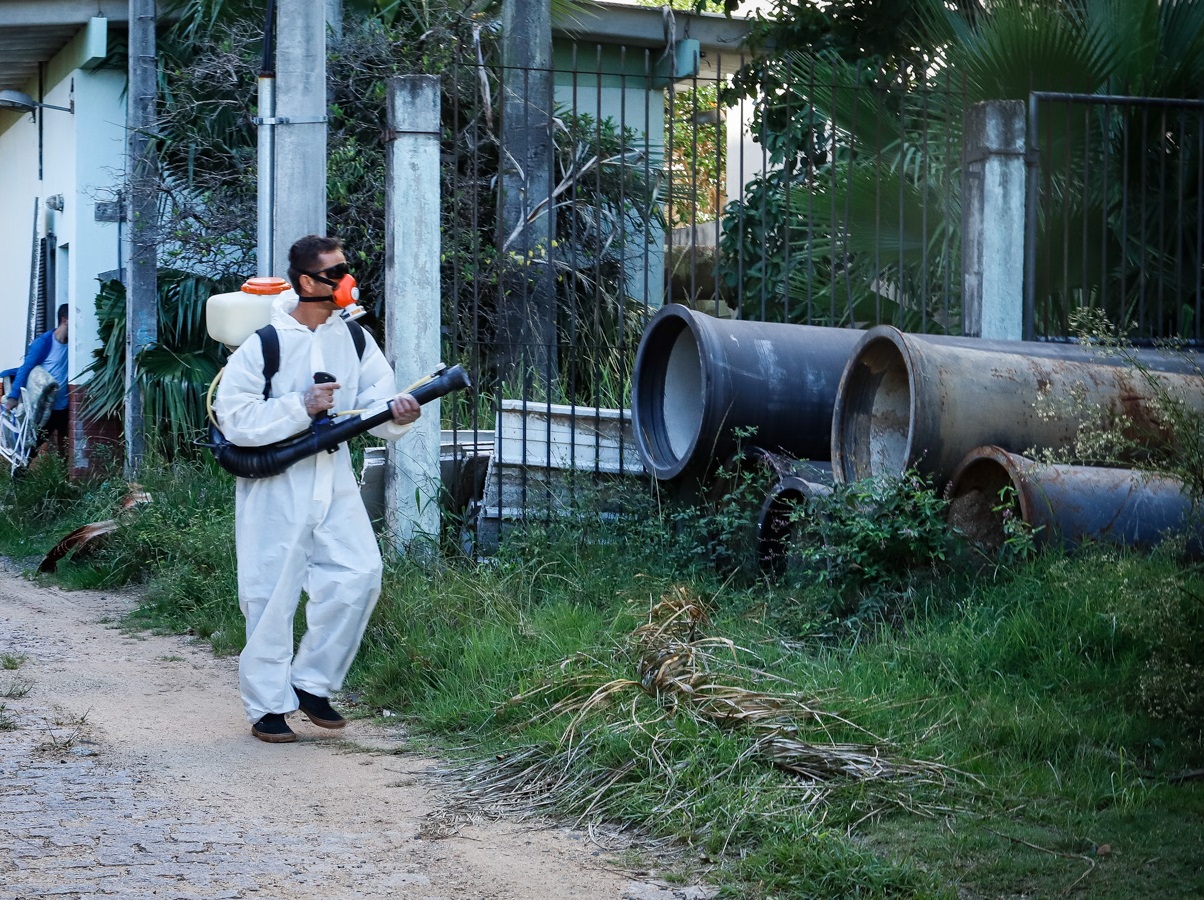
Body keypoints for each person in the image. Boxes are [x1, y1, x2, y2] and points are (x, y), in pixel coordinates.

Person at [213, 235, 421, 744]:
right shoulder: (266, 343)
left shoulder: (354, 338)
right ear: (308, 282)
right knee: (270, 593)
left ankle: (311, 683)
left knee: (359, 574)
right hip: (276, 482)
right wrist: (300, 406)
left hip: (334, 474)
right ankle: (267, 706)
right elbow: (234, 418)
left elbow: (376, 405)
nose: (347, 280)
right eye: (335, 272)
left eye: (346, 269)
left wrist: (399, 413)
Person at [4, 304, 70, 456]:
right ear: (65, 320)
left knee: (65, 449)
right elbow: (25, 368)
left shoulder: (73, 345)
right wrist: (13, 397)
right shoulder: (44, 342)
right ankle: (19, 471)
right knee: (29, 449)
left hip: (65, 407)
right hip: (46, 407)